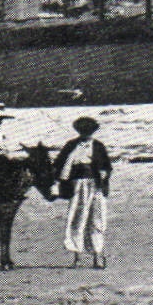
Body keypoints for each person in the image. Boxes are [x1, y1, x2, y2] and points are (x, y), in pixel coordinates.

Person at [54, 115, 111, 268]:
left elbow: (107, 166)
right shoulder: (71, 145)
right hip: (77, 186)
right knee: (76, 220)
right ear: (78, 131)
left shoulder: (98, 146)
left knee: (97, 220)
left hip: (96, 186)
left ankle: (97, 256)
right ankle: (77, 258)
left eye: (89, 131)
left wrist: (104, 174)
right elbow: (59, 165)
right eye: (83, 131)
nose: (86, 134)